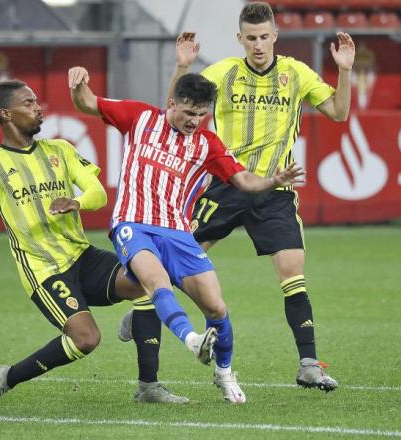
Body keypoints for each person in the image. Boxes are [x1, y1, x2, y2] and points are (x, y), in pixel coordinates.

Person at [121, 2, 354, 391]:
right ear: (239, 39)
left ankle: (309, 364)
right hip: (224, 186)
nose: (259, 45)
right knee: (165, 262)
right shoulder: (225, 72)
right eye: (251, 38)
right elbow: (175, 109)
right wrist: (181, 66)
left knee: (293, 271)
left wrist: (344, 71)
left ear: (275, 36)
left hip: (274, 190)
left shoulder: (295, 73)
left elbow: (338, 112)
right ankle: (147, 311)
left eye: (265, 37)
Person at [0, 79, 188, 405]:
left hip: (82, 255)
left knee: (148, 280)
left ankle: (149, 387)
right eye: (27, 103)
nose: (37, 107)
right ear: (6, 114)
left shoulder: (61, 150)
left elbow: (98, 194)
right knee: (86, 339)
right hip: (45, 270)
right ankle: (7, 378)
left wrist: (78, 202)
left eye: (36, 101)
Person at [69, 67, 304, 403]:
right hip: (133, 225)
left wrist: (272, 180)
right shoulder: (139, 117)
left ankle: (224, 372)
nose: (195, 121)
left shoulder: (207, 143)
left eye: (201, 114)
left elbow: (243, 181)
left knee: (217, 307)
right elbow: (87, 103)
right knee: (156, 281)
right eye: (189, 113)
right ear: (172, 104)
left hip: (178, 232)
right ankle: (192, 340)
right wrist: (79, 84)